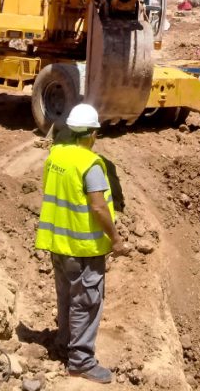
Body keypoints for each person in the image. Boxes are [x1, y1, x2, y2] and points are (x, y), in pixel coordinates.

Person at [35, 103, 131, 384]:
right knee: (86, 303)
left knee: (66, 297)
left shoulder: (56, 156)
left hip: (58, 243)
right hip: (83, 249)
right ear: (91, 133)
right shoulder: (91, 164)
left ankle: (64, 343)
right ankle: (81, 361)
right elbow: (99, 208)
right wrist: (116, 240)